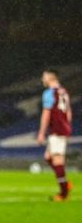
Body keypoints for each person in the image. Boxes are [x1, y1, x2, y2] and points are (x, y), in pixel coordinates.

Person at [36, 70, 73, 201]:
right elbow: (68, 112)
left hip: (57, 130)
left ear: (50, 77)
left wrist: (41, 133)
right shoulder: (63, 91)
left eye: (44, 77)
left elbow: (46, 114)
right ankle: (65, 184)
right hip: (63, 129)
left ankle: (63, 193)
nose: (42, 79)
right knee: (48, 157)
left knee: (57, 160)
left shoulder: (49, 93)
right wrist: (67, 127)